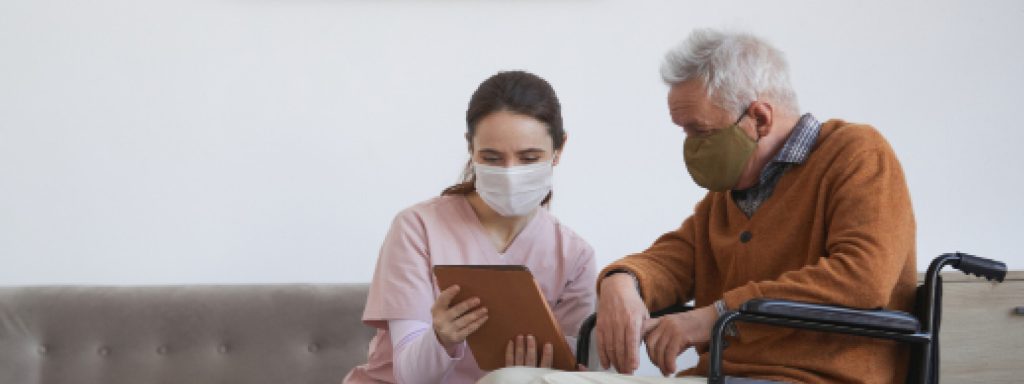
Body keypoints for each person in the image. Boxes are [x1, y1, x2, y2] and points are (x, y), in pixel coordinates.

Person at [478, 29, 916, 384]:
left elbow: (863, 278)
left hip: (817, 376)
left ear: (759, 118)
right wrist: (621, 282)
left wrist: (715, 316)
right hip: (722, 376)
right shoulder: (728, 197)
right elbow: (673, 259)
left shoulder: (856, 153)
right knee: (511, 379)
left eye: (699, 131)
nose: (690, 147)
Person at [344, 71, 597, 384]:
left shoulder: (574, 256)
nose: (509, 173)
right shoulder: (417, 228)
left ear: (559, 150)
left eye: (529, 157)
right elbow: (411, 375)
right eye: (491, 158)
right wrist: (441, 339)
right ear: (471, 149)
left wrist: (540, 375)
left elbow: (571, 368)